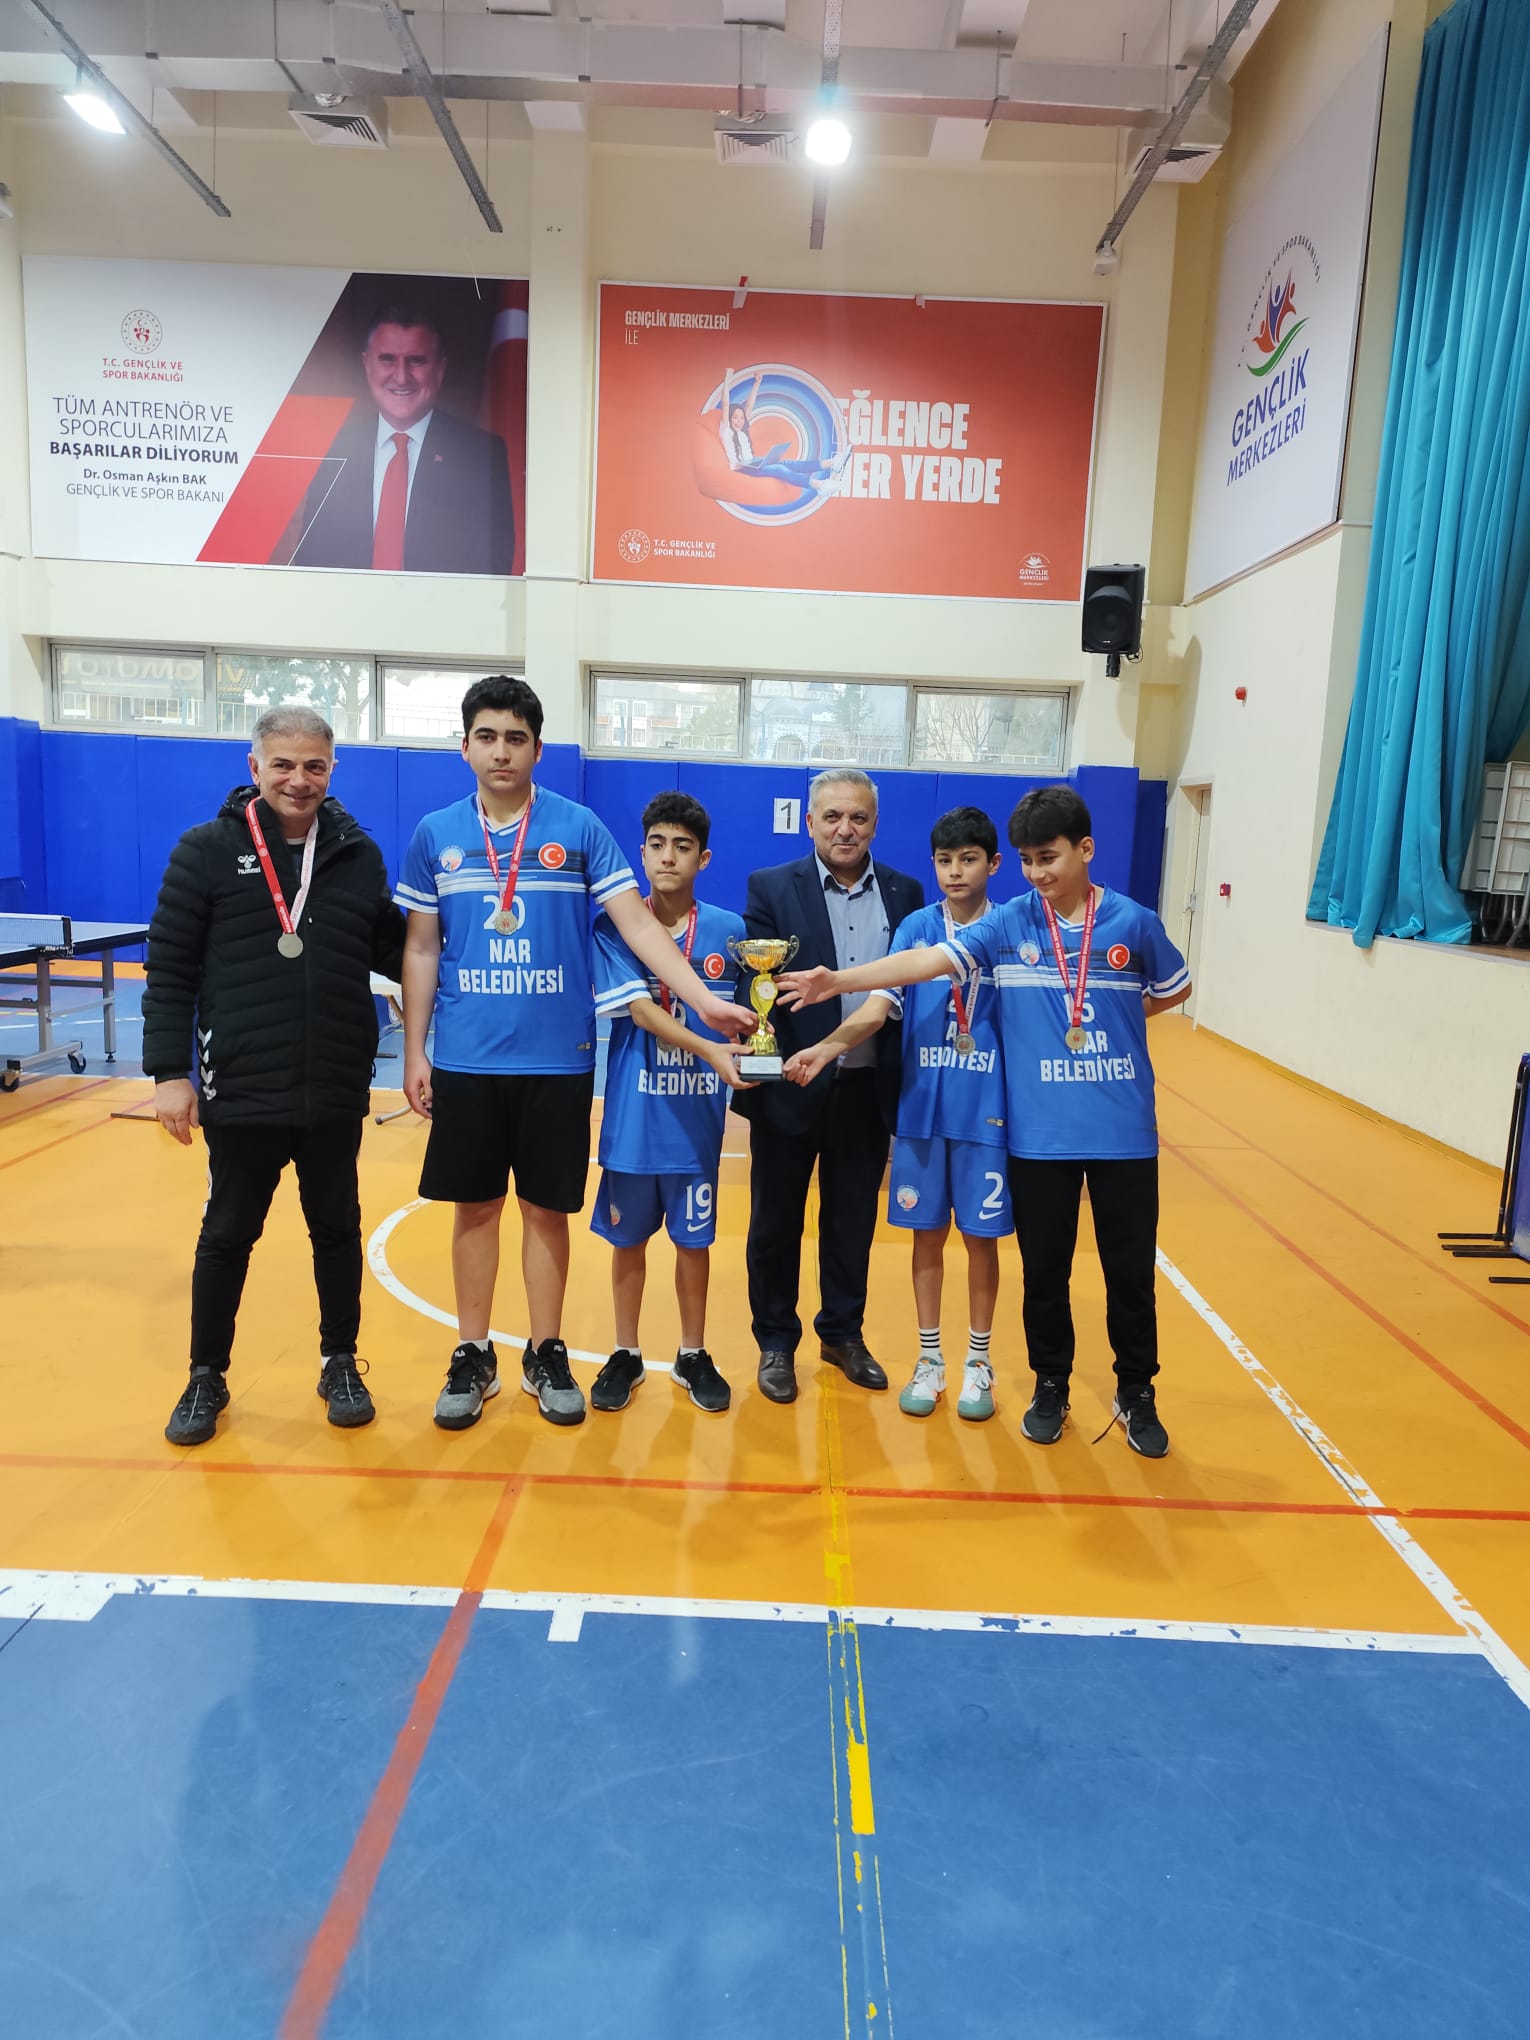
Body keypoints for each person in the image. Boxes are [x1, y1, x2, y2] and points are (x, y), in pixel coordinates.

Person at [778, 784, 1191, 1458]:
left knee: (1129, 1274)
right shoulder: (1010, 924)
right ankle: (1049, 1385)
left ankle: (1136, 1391)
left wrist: (1106, 1018)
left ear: (1086, 849)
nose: (1038, 872)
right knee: (1045, 1273)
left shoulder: (1133, 921)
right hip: (1034, 1134)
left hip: (1115, 1131)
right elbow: (926, 962)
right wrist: (838, 982)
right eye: (1028, 859)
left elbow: (1174, 989)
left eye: (1048, 857)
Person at [397, 676, 750, 1432]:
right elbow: (422, 948)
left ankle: (546, 1350)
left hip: (557, 1061)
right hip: (466, 1058)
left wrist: (708, 1000)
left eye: (515, 738)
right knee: (475, 1208)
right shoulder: (435, 834)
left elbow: (641, 928)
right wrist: (414, 1051)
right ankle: (472, 1353)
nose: (501, 751)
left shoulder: (578, 827)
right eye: (486, 737)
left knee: (545, 1210)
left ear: (538, 748)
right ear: (464, 747)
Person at [144, 707, 406, 1448]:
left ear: (332, 769)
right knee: (227, 1234)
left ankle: (339, 1362)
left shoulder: (356, 854)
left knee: (337, 1230)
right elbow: (169, 970)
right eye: (283, 764)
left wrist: (454, 933)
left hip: (332, 1084)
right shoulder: (205, 851)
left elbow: (389, 947)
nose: (299, 779)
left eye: (314, 765)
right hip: (242, 1084)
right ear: (254, 766)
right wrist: (170, 1072)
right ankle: (206, 1375)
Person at [783, 807, 1010, 1422]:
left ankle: (980, 1361)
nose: (955, 871)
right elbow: (879, 1006)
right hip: (920, 1113)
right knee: (926, 1236)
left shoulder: (1009, 928)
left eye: (969, 859)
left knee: (982, 1241)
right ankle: (930, 1358)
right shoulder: (914, 925)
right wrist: (825, 1049)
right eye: (944, 860)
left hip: (987, 1115)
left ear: (993, 863)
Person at [732, 769, 924, 1404]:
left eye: (858, 818)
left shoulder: (904, 891)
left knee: (852, 1223)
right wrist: (762, 1059)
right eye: (833, 817)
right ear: (810, 822)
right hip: (791, 1082)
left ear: (875, 824)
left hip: (867, 1087)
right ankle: (775, 1343)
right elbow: (756, 989)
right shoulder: (770, 887)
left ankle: (843, 1334)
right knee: (775, 1224)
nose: (846, 829)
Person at [587, 793, 752, 1416]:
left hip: (696, 1120)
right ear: (641, 852)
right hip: (634, 1118)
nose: (667, 857)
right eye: (657, 844)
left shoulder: (731, 932)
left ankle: (692, 1352)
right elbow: (640, 1010)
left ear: (703, 859)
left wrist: (753, 1049)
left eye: (682, 847)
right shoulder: (615, 925)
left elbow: (748, 1014)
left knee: (693, 1242)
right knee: (627, 1242)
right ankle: (625, 1352)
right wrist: (709, 1048)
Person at [291, 305, 515, 576]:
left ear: (440, 369)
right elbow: (311, 559)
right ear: (367, 365)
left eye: (416, 361)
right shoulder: (335, 445)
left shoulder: (480, 455)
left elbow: (492, 569)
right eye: (387, 359)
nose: (401, 377)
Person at [714, 367, 844, 493]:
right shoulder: (726, 430)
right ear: (729, 418)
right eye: (735, 417)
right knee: (780, 469)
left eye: (742, 418)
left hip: (753, 463)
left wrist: (757, 383)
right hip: (742, 469)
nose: (739, 421)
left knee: (788, 463)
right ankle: (820, 485)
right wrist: (727, 378)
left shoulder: (742, 431)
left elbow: (749, 405)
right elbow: (725, 403)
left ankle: (832, 463)